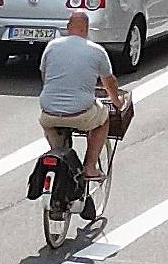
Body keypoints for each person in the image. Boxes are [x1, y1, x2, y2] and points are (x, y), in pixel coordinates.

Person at [39, 13, 126, 186]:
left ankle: (58, 164)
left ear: (68, 27)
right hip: (80, 113)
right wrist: (117, 102)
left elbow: (45, 76)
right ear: (86, 29)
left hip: (48, 113)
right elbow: (109, 82)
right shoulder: (96, 51)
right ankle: (91, 168)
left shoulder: (52, 46)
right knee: (103, 119)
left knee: (57, 150)